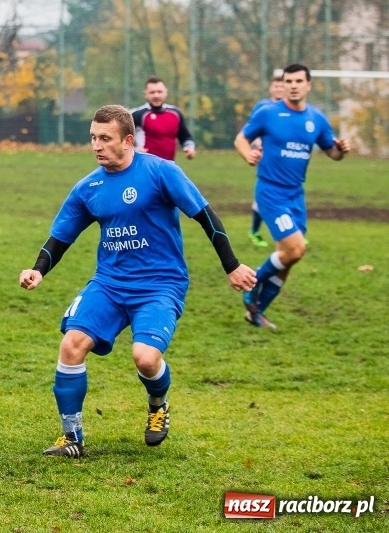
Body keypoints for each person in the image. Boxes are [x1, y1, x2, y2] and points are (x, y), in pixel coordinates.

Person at [19, 105, 256, 458]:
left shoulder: (161, 172)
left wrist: (232, 266)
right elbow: (61, 237)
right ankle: (72, 438)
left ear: (128, 141)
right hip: (109, 284)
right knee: (71, 346)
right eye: (93, 138)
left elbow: (206, 217)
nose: (96, 146)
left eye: (105, 138)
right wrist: (38, 269)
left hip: (161, 284)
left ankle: (158, 405)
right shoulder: (88, 187)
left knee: (145, 358)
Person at [234, 64, 350, 330]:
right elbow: (241, 138)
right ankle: (252, 284)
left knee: (289, 257)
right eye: (289, 81)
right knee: (296, 248)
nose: (293, 86)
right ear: (283, 85)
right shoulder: (268, 113)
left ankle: (256, 312)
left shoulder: (317, 119)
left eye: (299, 81)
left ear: (308, 85)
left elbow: (332, 152)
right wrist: (248, 154)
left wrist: (341, 150)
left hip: (296, 195)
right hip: (270, 192)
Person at [246, 74, 284, 248]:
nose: (279, 89)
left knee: (287, 192)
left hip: (284, 158)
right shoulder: (263, 107)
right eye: (276, 86)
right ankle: (255, 231)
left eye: (281, 86)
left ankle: (294, 232)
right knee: (265, 193)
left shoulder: (292, 109)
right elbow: (250, 130)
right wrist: (256, 146)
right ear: (270, 88)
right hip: (266, 157)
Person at [130, 77, 196, 161]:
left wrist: (189, 147)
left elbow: (186, 137)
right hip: (144, 165)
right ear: (145, 94)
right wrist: (134, 150)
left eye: (159, 92)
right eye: (152, 92)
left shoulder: (175, 113)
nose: (156, 95)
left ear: (166, 92)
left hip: (168, 164)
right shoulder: (137, 115)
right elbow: (121, 139)